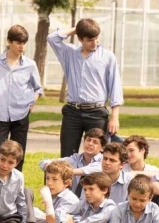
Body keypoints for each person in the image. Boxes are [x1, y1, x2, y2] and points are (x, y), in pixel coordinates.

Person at [47, 18, 123, 157]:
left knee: (97, 156)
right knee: (67, 155)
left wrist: (114, 117)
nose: (95, 43)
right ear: (80, 39)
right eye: (90, 40)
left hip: (96, 113)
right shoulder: (69, 53)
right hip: (72, 113)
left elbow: (115, 87)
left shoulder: (107, 57)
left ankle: (92, 180)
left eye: (96, 38)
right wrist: (78, 28)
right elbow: (52, 38)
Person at [0, 25, 43, 170]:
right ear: (9, 42)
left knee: (18, 155)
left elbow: (38, 88)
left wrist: (32, 103)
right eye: (18, 43)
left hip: (21, 115)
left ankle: (15, 188)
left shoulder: (30, 65)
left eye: (24, 43)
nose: (21, 47)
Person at [2, 161, 79, 223]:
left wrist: (48, 203)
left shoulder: (69, 198)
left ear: (67, 183)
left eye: (55, 179)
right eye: (47, 178)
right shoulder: (56, 195)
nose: (49, 183)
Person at [38, 127, 106, 193]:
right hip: (74, 201)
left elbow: (89, 170)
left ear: (102, 148)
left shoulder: (105, 161)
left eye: (95, 142)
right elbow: (43, 162)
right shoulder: (75, 158)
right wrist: (50, 166)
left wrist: (66, 171)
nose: (90, 144)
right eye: (88, 140)